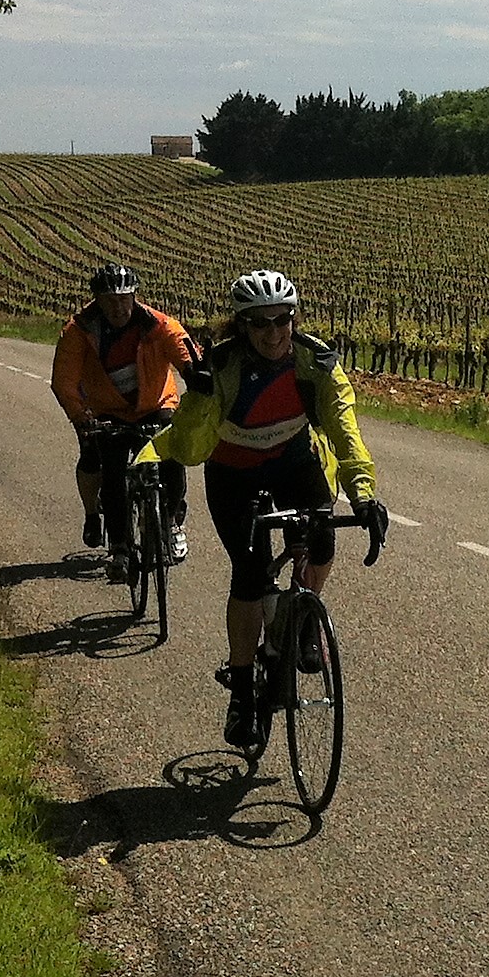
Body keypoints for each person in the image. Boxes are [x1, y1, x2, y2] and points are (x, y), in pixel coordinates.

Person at [149, 270, 386, 747]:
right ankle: (241, 690)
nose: (274, 333)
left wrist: (362, 494)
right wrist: (196, 398)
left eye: (282, 320)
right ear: (241, 326)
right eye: (259, 324)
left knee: (321, 537)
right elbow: (192, 450)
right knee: (251, 575)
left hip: (294, 461)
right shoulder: (220, 367)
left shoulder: (314, 362)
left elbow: (345, 431)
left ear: (295, 318)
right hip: (232, 473)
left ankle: (301, 621)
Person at [51, 262, 194, 574]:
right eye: (110, 300)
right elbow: (64, 380)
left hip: (156, 403)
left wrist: (198, 380)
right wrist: (81, 417)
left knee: (173, 455)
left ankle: (171, 523)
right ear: (97, 301)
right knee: (112, 472)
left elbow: (185, 354)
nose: (118, 307)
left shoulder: (157, 324)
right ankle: (119, 549)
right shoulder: (79, 331)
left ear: (134, 297)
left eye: (124, 298)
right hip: (106, 410)